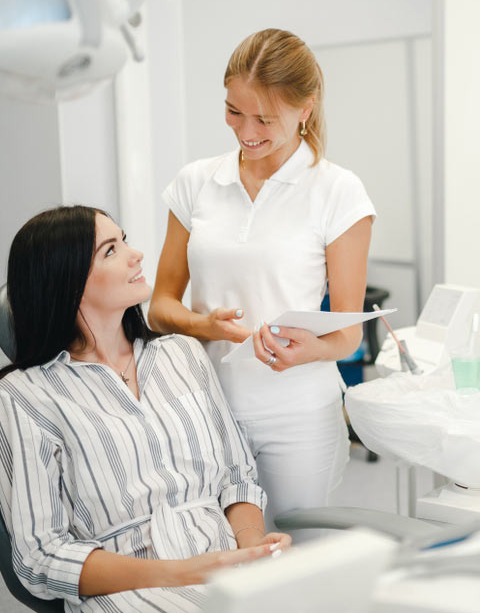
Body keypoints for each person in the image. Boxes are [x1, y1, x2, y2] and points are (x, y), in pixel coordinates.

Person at [0, 206, 290, 612]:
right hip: (128, 591)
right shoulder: (23, 398)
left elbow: (237, 477)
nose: (135, 254)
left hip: (231, 572)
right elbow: (42, 558)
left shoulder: (183, 354)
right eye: (110, 250)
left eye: (125, 240)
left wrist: (252, 549)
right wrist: (184, 572)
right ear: (66, 283)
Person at [149, 28, 375, 530]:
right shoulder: (195, 183)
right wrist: (204, 325)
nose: (245, 131)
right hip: (203, 409)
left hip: (297, 414)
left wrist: (306, 349)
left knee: (299, 555)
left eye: (264, 118)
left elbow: (347, 334)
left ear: (305, 109)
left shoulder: (338, 191)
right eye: (234, 111)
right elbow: (160, 306)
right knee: (216, 562)